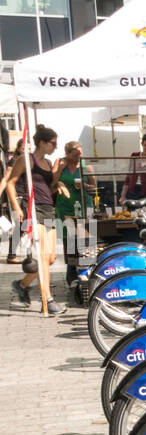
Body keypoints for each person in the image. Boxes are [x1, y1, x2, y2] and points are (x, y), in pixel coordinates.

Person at [6, 124, 64, 314]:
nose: (55, 147)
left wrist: (59, 183)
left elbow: (50, 186)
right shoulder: (26, 160)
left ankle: (22, 285)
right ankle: (47, 300)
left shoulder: (47, 163)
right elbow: (10, 183)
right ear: (42, 143)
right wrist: (16, 208)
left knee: (51, 258)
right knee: (43, 255)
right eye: (53, 143)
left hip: (48, 208)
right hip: (33, 209)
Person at [54, 141, 94, 289]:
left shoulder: (86, 167)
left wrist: (86, 186)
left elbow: (94, 188)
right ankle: (71, 272)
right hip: (66, 207)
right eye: (76, 154)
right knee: (70, 239)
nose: (79, 156)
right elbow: (52, 182)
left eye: (80, 153)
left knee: (85, 238)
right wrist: (60, 170)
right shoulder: (61, 165)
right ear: (68, 153)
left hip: (84, 206)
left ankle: (85, 272)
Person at [2, 136, 25, 263]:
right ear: (18, 148)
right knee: (21, 226)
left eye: (28, 148)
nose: (26, 150)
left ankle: (14, 254)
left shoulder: (29, 161)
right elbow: (6, 179)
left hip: (26, 197)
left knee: (23, 226)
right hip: (19, 197)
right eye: (23, 148)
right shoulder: (14, 161)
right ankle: (11, 255)